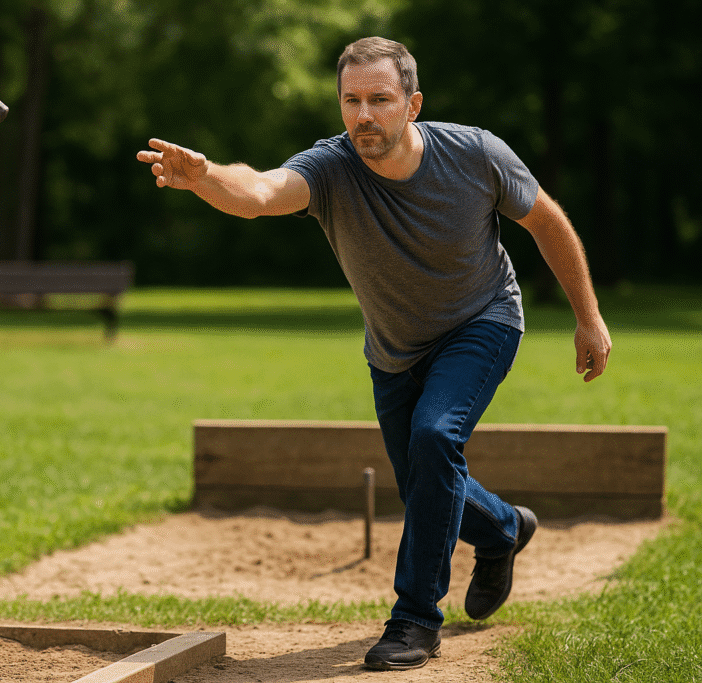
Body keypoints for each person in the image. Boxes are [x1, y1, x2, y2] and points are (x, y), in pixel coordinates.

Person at [137, 36, 611, 671]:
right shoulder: (330, 168)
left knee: (435, 438)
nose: (364, 115)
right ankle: (503, 531)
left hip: (482, 319)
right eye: (351, 100)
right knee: (424, 480)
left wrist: (589, 317)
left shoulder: (474, 155)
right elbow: (259, 193)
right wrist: (206, 178)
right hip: (394, 349)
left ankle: (415, 619)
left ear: (412, 104)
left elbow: (546, 221)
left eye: (380, 100)